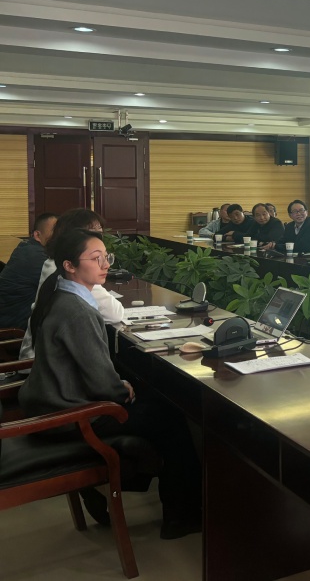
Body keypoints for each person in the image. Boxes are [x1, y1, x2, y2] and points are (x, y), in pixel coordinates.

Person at [19, 228, 203, 539]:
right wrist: (121, 388)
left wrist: (120, 385)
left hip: (52, 401)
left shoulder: (58, 294)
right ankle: (180, 517)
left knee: (151, 400)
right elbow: (102, 382)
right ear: (69, 265)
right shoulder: (77, 310)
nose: (105, 264)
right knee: (170, 418)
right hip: (70, 414)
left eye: (107, 257)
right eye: (96, 258)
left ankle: (131, 483)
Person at [19, 209, 126, 360]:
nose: (98, 236)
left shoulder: (55, 262)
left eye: (99, 231)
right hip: (40, 364)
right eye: (92, 231)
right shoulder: (68, 272)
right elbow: (114, 313)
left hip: (45, 360)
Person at [0, 212, 57, 330]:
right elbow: (67, 284)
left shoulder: (27, 247)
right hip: (14, 327)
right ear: (37, 235)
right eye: (53, 231)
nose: (58, 236)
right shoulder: (35, 256)